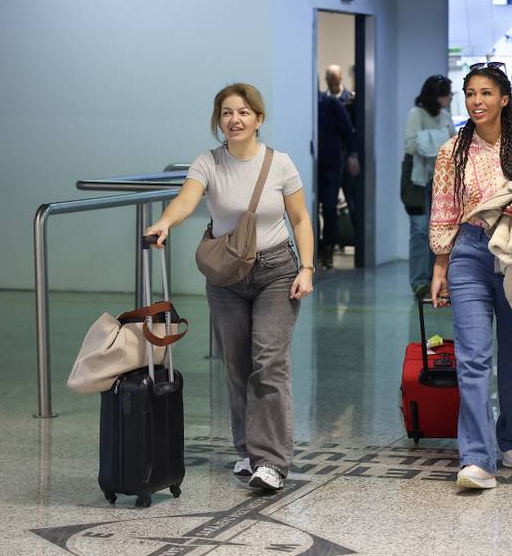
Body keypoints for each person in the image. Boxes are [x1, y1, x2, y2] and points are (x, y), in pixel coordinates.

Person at [145, 83, 315, 490]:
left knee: (268, 362)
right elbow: (187, 199)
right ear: (218, 120)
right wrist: (166, 221)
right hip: (226, 278)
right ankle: (247, 451)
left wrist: (306, 268)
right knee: (237, 365)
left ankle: (272, 461)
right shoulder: (208, 162)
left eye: (243, 112)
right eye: (226, 113)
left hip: (276, 271)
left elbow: (301, 220)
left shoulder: (280, 164)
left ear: (258, 119)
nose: (234, 120)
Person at [429, 62, 512, 489]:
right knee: (473, 357)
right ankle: (477, 459)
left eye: (485, 93)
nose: (476, 101)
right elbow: (444, 208)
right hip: (469, 251)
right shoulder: (452, 150)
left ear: (504, 99)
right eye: (470, 93)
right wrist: (440, 265)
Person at [403, 75, 456, 298]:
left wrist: (435, 139)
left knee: (439, 231)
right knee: (419, 229)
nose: (451, 97)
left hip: (441, 180)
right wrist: (440, 139)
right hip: (416, 179)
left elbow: (453, 142)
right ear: (437, 96)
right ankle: (419, 283)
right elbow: (411, 144)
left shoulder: (445, 116)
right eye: (447, 93)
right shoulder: (416, 114)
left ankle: (438, 279)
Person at [317, 81, 357, 268]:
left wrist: (352, 155)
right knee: (309, 210)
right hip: (310, 166)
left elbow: (348, 131)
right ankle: (316, 250)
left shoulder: (330, 104)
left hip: (331, 166)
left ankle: (328, 248)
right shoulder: (305, 104)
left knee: (330, 209)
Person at [324, 64, 360, 253]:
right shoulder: (322, 102)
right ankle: (333, 243)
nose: (334, 83)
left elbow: (351, 131)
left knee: (352, 202)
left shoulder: (351, 100)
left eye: (336, 80)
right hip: (330, 160)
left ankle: (358, 243)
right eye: (330, 81)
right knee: (329, 206)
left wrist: (353, 155)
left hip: (346, 160)